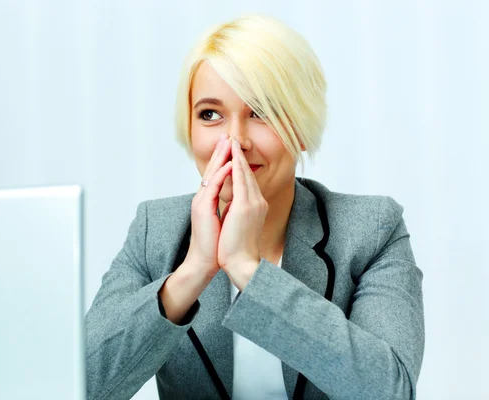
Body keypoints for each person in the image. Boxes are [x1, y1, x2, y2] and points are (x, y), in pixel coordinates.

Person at [85, 14, 424, 400]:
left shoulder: (371, 230)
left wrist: (247, 269)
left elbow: (390, 391)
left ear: (301, 126)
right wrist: (192, 272)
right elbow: (78, 387)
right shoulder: (155, 231)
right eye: (210, 114)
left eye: (260, 111)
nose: (234, 141)